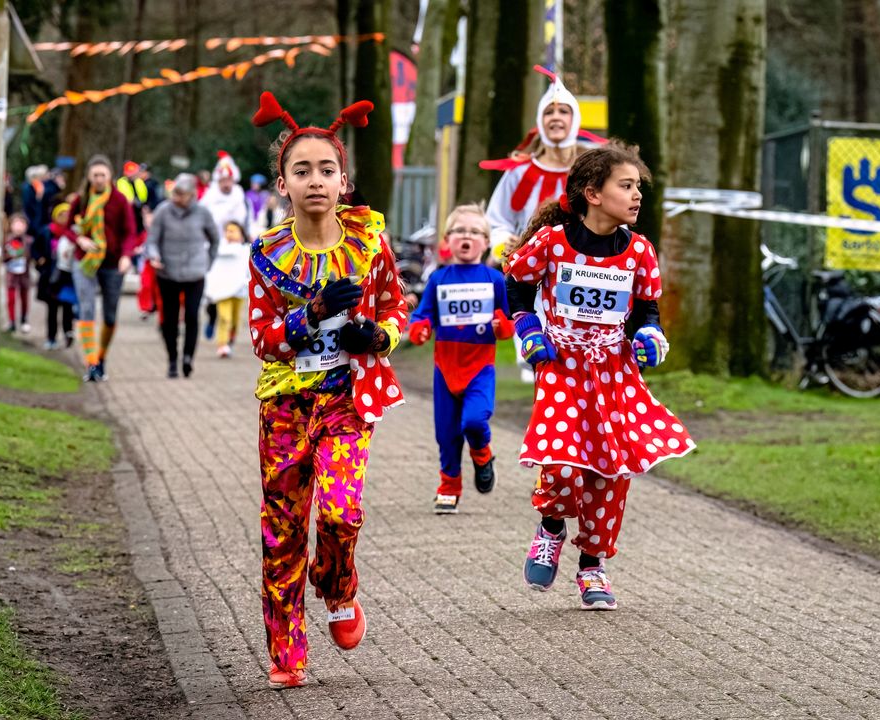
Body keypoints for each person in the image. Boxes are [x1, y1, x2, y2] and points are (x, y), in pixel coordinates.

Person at [247, 91, 408, 689]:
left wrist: (378, 334)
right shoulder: (266, 253)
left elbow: (396, 305)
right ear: (283, 184)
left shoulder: (369, 244)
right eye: (301, 170)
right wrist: (307, 316)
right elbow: (262, 339)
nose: (315, 180)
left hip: (347, 399)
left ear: (344, 181)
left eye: (327, 170)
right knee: (283, 526)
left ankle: (338, 586)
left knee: (341, 513)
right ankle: (287, 652)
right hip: (284, 404)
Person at [504, 141, 694, 611]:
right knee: (564, 462)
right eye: (625, 186)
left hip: (614, 372)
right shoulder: (552, 242)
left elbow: (646, 310)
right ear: (593, 192)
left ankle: (592, 565)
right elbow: (516, 284)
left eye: (638, 187)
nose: (637, 196)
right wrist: (528, 328)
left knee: (612, 472)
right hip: (562, 365)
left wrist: (650, 334)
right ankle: (551, 527)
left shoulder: (639, 252)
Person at [485, 65, 599, 384]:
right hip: (532, 279)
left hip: (582, 275)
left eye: (564, 110)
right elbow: (497, 220)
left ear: (574, 119)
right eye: (549, 111)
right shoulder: (519, 174)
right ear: (540, 121)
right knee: (541, 361)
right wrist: (503, 242)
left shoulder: (592, 170)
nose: (556, 117)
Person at [406, 204, 514, 514]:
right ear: (447, 240)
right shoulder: (439, 279)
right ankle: (448, 487)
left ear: (486, 241)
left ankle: (482, 453)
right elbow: (422, 316)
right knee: (446, 433)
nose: (466, 237)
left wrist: (501, 326)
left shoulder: (495, 280)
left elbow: (509, 322)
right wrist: (420, 329)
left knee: (474, 420)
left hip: (480, 367)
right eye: (459, 231)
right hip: (445, 369)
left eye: (474, 232)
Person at [142, 174, 219, 379]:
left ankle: (187, 358)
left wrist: (207, 263)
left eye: (181, 194)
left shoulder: (202, 213)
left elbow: (215, 239)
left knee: (192, 316)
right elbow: (152, 241)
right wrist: (154, 256)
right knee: (170, 319)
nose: (176, 197)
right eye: (175, 192)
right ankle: (172, 360)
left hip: (195, 274)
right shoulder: (163, 211)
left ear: (192, 194)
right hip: (167, 273)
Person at [69, 155, 137, 382]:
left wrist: (126, 256)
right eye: (95, 175)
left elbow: (130, 232)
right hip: (85, 261)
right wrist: (79, 240)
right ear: (89, 176)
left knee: (109, 315)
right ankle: (91, 362)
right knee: (86, 308)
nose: (99, 179)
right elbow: (66, 227)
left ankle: (101, 357)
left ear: (110, 177)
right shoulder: (81, 200)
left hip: (112, 262)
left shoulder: (119, 201)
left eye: (103, 175)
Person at [204, 220, 250, 358]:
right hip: (222, 291)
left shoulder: (246, 250)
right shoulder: (218, 249)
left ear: (241, 234)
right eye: (227, 231)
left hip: (239, 291)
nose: (229, 234)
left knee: (235, 320)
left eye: (233, 231)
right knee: (225, 317)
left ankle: (230, 340)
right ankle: (222, 344)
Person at [44, 200, 78, 349]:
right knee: (52, 309)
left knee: (67, 307)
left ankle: (68, 333)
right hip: (53, 277)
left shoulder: (75, 234)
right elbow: (38, 250)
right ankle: (51, 337)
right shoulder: (47, 232)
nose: (64, 218)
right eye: (61, 215)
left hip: (69, 277)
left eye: (67, 215)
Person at [199, 151, 250, 237]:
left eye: (229, 180)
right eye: (223, 180)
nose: (226, 184)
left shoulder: (240, 196)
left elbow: (248, 221)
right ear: (218, 181)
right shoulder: (209, 196)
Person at [2, 213, 33, 333]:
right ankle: (11, 321)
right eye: (16, 223)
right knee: (11, 298)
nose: (19, 226)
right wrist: (10, 256)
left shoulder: (29, 241)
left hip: (24, 275)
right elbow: (2, 257)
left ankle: (24, 319)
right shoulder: (6, 241)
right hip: (11, 274)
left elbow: (32, 257)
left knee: (24, 297)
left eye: (22, 223)